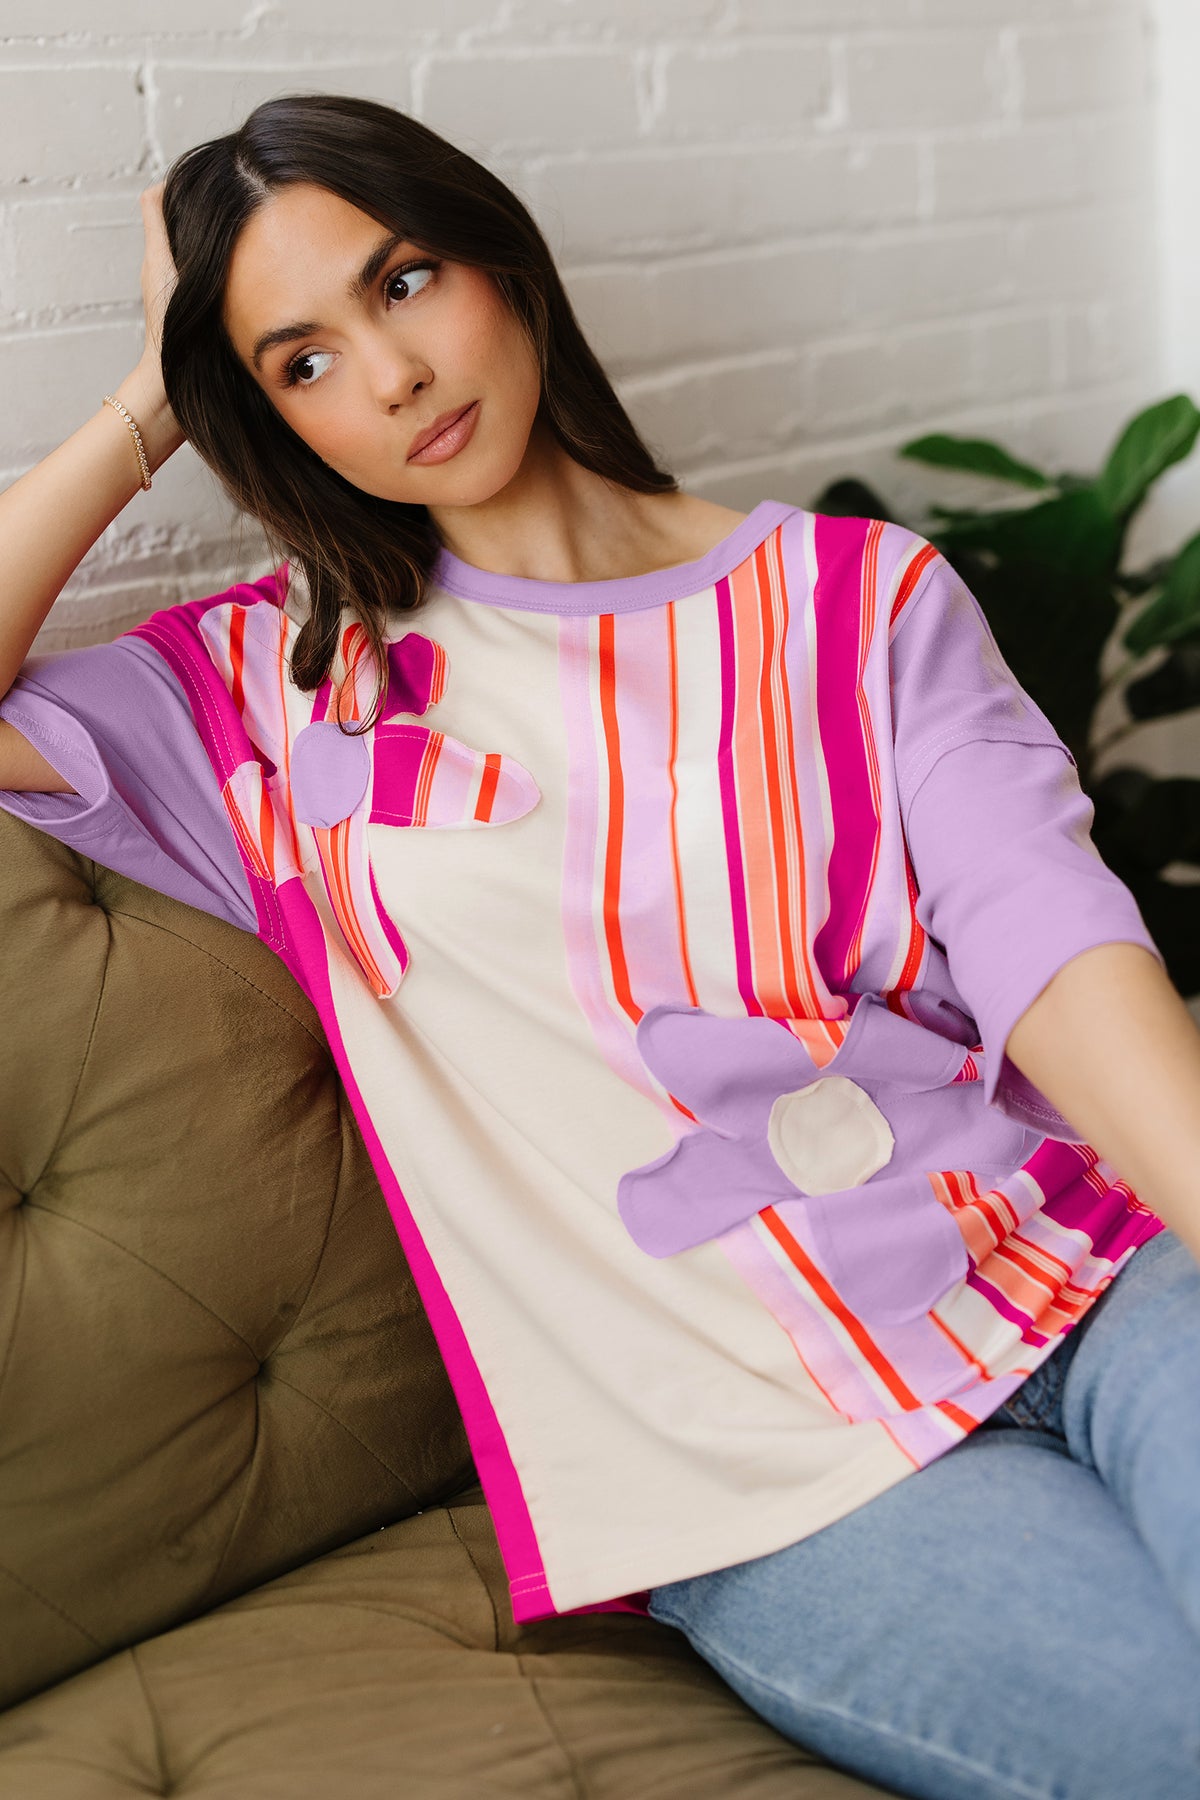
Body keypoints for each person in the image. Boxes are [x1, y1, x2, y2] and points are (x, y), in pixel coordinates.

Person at [1, 94, 1198, 1800]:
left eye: (402, 282)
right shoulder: (284, 693)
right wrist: (152, 404)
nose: (391, 376)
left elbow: (1052, 944)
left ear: (501, 260)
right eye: (302, 361)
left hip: (1094, 1271)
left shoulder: (858, 599)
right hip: (765, 1472)